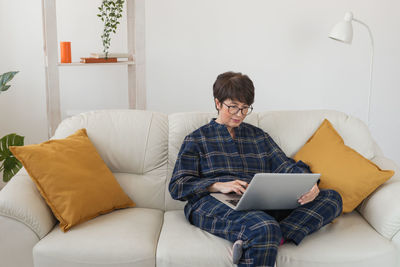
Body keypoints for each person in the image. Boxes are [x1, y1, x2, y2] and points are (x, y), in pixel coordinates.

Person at [169, 71, 342, 267]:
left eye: (244, 109)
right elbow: (178, 186)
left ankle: (273, 237)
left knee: (332, 198)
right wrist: (217, 186)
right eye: (232, 107)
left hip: (260, 203)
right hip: (212, 203)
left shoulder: (258, 136)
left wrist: (309, 184)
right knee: (264, 227)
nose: (239, 115)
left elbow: (285, 166)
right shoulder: (197, 139)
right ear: (218, 103)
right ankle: (267, 234)